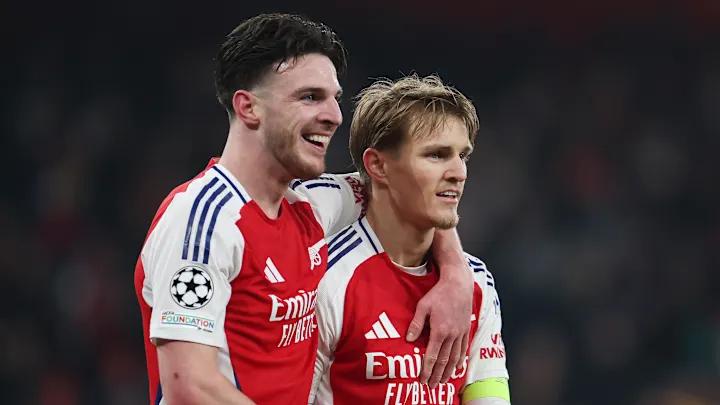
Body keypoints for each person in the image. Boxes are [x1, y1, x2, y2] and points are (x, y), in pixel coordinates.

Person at [134, 14, 474, 405]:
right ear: (248, 108)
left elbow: (410, 185)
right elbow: (189, 387)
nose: (334, 116)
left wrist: (455, 273)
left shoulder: (311, 207)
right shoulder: (203, 220)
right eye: (310, 97)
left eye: (334, 98)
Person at [310, 75, 510, 404]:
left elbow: (490, 395)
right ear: (378, 165)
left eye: (463, 156)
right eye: (436, 155)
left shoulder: (476, 282)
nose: (459, 173)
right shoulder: (325, 279)